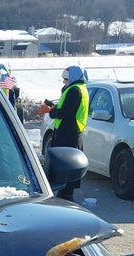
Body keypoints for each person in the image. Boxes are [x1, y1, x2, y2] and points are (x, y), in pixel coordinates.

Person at [43, 65, 89, 201]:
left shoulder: (74, 90)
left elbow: (65, 112)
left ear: (73, 77)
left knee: (66, 165)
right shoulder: (79, 88)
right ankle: (65, 193)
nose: (63, 81)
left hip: (68, 133)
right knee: (67, 165)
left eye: (65, 79)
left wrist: (50, 111)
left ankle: (66, 196)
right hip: (71, 132)